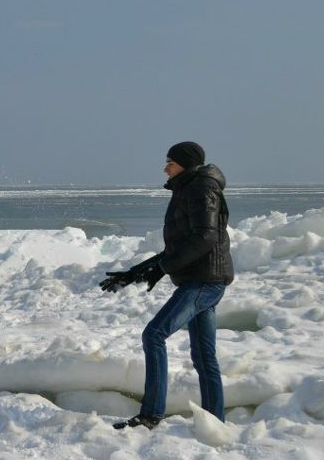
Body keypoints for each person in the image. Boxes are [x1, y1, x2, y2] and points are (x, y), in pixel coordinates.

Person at [100, 141, 234, 430]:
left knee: (154, 334)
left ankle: (151, 415)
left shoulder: (202, 188)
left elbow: (205, 238)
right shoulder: (190, 188)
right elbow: (181, 246)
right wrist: (135, 272)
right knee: (203, 355)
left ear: (185, 164)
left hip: (204, 280)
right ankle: (214, 421)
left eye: (170, 162)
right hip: (204, 279)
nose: (165, 167)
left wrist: (162, 267)